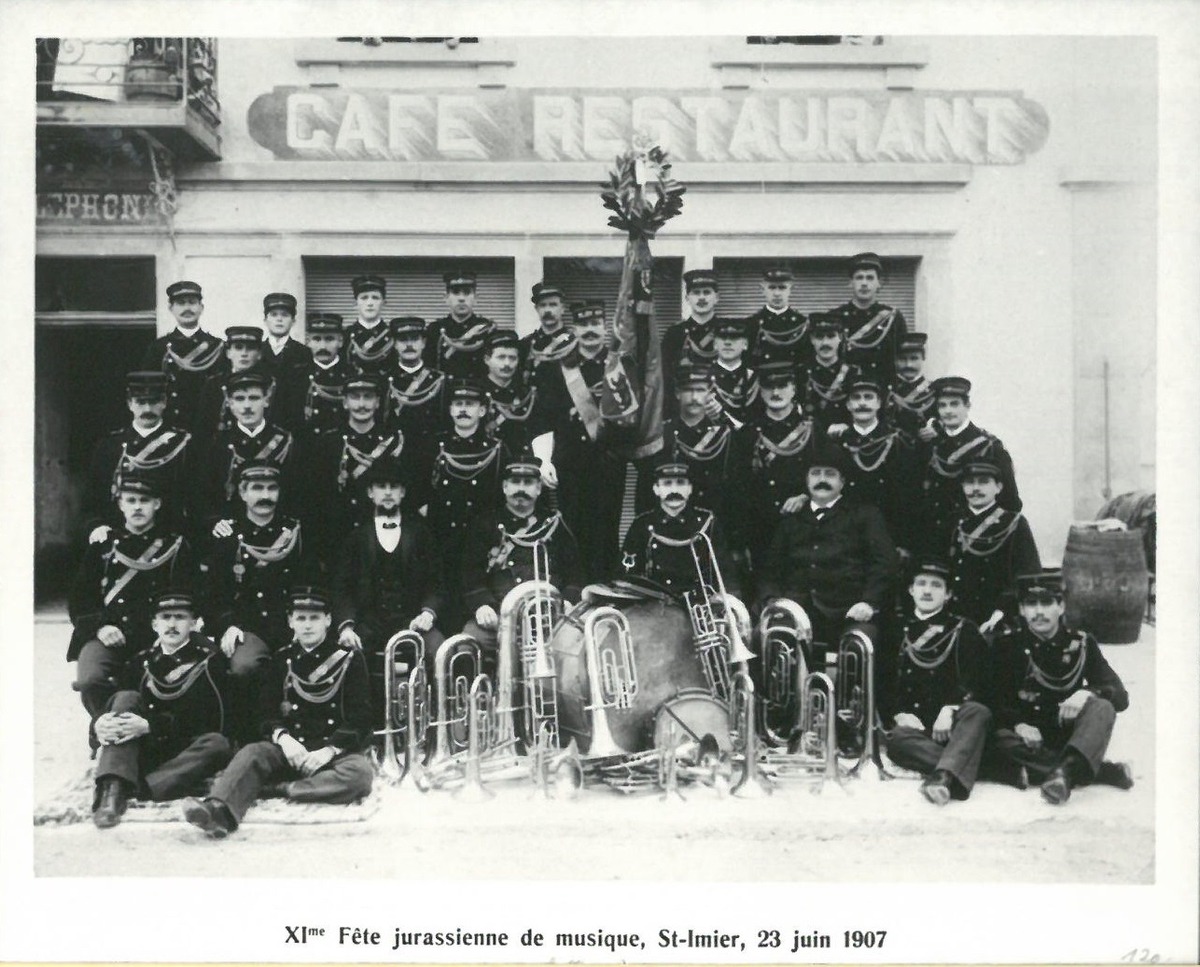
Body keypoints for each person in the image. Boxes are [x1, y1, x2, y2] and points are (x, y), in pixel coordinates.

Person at [182, 586, 374, 839]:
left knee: (360, 774)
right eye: (301, 618)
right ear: (290, 621)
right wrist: (283, 738)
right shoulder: (282, 659)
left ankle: (278, 789)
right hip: (290, 749)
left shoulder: (349, 659)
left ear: (328, 620)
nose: (307, 625)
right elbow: (266, 712)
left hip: (328, 754)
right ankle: (217, 811)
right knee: (252, 752)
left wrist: (329, 750)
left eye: (315, 618)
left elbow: (361, 717)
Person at [988, 570, 1134, 804]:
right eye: (1031, 604)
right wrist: (1019, 724)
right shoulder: (1006, 645)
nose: (1039, 612)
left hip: (1066, 733)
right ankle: (1091, 770)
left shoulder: (1081, 643)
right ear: (1022, 610)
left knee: (1103, 707)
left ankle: (1061, 772)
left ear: (1061, 606)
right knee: (997, 739)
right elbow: (992, 697)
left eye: (1047, 603)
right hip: (1025, 739)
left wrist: (1087, 692)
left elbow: (1120, 696)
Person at [90, 590, 232, 829]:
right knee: (125, 697)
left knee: (218, 743)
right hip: (146, 747)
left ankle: (144, 788)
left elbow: (213, 721)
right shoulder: (140, 662)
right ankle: (111, 792)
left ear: (194, 624)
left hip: (185, 748)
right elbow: (116, 706)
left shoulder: (210, 663)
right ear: (154, 625)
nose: (172, 625)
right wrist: (98, 725)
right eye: (165, 618)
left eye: (180, 617)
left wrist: (150, 726)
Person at [757, 442, 899, 671]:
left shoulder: (864, 515)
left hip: (847, 613)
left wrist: (869, 603)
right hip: (797, 612)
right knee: (765, 637)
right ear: (806, 480)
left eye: (830, 474)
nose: (822, 479)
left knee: (860, 644)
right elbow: (770, 568)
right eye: (816, 473)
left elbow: (884, 564)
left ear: (842, 481)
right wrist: (772, 601)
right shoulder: (791, 518)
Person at [68, 474, 193, 730]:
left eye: (144, 501)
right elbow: (80, 600)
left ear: (157, 504)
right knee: (91, 679)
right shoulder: (103, 545)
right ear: (120, 505)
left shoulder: (175, 547)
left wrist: (170, 633)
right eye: (131, 500)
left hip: (157, 636)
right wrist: (101, 627)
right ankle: (103, 728)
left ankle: (154, 731)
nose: (137, 507)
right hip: (109, 633)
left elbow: (189, 597)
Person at [204, 461, 316, 739]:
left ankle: (304, 734)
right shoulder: (227, 536)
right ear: (242, 493)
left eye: (271, 488)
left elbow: (308, 583)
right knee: (244, 666)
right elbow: (214, 593)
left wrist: (302, 622)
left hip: (289, 624)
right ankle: (246, 737)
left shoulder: (295, 533)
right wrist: (227, 625)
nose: (265, 496)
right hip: (247, 626)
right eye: (257, 488)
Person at [332, 456, 445, 724]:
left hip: (412, 621)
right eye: (381, 486)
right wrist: (347, 627)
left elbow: (436, 582)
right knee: (344, 657)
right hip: (369, 622)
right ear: (370, 493)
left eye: (394, 487)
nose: (387, 492)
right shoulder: (355, 536)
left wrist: (428, 613)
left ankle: (431, 725)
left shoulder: (421, 533)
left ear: (403, 493)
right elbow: (342, 587)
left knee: (439, 651)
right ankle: (362, 729)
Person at [530, 301, 632, 584]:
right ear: (574, 328)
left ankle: (605, 592)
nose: (590, 330)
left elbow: (631, 417)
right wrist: (544, 460)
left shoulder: (620, 364)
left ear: (605, 327)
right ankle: (575, 592)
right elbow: (544, 418)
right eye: (584, 324)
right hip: (570, 464)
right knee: (572, 530)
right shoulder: (557, 367)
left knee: (607, 531)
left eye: (595, 323)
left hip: (609, 464)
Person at [881, 559, 992, 806]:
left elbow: (978, 680)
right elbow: (883, 682)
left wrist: (951, 708)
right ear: (911, 590)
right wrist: (898, 713)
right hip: (916, 727)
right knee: (896, 741)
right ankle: (982, 767)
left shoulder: (963, 629)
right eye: (921, 584)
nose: (927, 591)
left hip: (953, 726)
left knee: (978, 712)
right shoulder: (894, 628)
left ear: (948, 594)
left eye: (936, 585)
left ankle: (942, 775)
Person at [461, 452, 583, 665]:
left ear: (539, 488)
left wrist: (568, 601)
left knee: (579, 650)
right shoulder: (485, 525)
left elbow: (576, 574)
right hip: (500, 619)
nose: (521, 488)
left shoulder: (555, 525)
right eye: (515, 482)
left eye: (528, 483)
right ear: (504, 487)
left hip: (549, 620)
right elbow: (470, 575)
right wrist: (482, 606)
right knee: (467, 646)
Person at [728, 360, 817, 589]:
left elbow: (830, 478)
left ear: (794, 389)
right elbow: (736, 487)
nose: (776, 393)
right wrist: (740, 541)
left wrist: (806, 496)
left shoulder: (812, 431)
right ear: (759, 390)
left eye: (783, 385)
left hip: (803, 528)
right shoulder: (747, 434)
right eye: (769, 386)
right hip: (760, 530)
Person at [429, 379, 508, 626]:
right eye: (458, 404)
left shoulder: (497, 449)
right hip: (442, 539)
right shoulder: (434, 446)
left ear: (482, 411)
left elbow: (502, 498)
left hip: (481, 543)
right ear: (450, 410)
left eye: (470, 404)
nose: (463, 409)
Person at [918, 376, 1021, 556]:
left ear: (967, 406)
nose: (948, 411)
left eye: (954, 404)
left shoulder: (989, 447)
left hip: (974, 540)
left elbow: (1010, 501)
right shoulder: (930, 444)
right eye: (942, 405)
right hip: (934, 537)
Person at [308, 375, 406, 564]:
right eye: (355, 397)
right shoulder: (328, 443)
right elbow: (317, 498)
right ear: (345, 403)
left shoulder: (392, 443)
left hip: (380, 536)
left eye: (368, 397)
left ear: (377, 403)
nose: (362, 404)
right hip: (339, 536)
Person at [83, 371, 192, 537]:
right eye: (140, 402)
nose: (147, 409)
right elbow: (93, 498)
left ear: (164, 402)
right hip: (118, 535)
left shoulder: (183, 445)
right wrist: (97, 526)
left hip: (169, 537)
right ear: (130, 404)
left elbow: (193, 498)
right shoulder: (110, 446)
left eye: (154, 402)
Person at [828, 378, 920, 558]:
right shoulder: (837, 444)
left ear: (879, 403)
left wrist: (902, 542)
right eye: (856, 398)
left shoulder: (898, 442)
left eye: (868, 397)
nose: (862, 403)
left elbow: (908, 496)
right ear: (848, 405)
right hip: (846, 534)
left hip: (887, 531)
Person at [621, 458, 738, 598]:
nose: (674, 490)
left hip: (698, 602)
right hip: (654, 602)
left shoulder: (707, 523)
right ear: (656, 489)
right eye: (667, 484)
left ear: (690, 489)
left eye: (681, 483)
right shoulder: (642, 524)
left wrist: (729, 600)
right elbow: (627, 574)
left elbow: (725, 572)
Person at [949, 460, 1041, 634]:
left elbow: (1028, 573)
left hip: (998, 617)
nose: (976, 489)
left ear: (998, 487)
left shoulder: (1014, 523)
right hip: (956, 615)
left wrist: (1001, 611)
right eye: (970, 482)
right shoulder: (952, 522)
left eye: (983, 482)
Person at [196, 370, 296, 525]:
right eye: (240, 399)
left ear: (266, 401)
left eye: (254, 398)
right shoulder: (218, 444)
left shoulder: (285, 442)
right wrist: (216, 522)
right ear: (230, 403)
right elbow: (205, 493)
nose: (247, 406)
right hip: (230, 526)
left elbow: (295, 491)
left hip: (277, 527)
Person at [141, 280, 225, 430]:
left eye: (192, 302)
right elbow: (149, 391)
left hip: (209, 425)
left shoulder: (217, 347)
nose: (187, 308)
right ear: (171, 308)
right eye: (181, 303)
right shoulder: (158, 348)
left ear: (201, 307)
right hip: (171, 425)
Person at [386, 315, 447, 512]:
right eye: (403, 340)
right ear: (394, 344)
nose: (409, 345)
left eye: (414, 339)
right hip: (395, 461)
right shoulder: (385, 380)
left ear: (424, 343)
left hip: (429, 460)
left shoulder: (440, 381)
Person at [826, 252, 908, 389]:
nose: (864, 283)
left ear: (879, 283)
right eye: (859, 278)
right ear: (850, 283)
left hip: (882, 388)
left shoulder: (893, 318)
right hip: (844, 389)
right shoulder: (835, 317)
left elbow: (903, 358)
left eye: (870, 278)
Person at [276, 312, 352, 438]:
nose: (323, 346)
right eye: (317, 339)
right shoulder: (294, 376)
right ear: (308, 341)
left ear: (340, 341)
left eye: (329, 339)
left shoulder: (352, 376)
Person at [191, 325, 269, 443]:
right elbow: (203, 426)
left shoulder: (269, 383)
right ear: (228, 353)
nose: (244, 353)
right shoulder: (213, 384)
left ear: (259, 354)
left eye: (250, 348)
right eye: (238, 348)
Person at [661, 268, 721, 421]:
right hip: (684, 412)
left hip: (719, 410)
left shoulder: (728, 332)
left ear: (717, 297)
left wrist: (722, 405)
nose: (701, 298)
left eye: (707, 292)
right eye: (696, 293)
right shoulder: (674, 334)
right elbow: (666, 377)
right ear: (687, 298)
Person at [423, 267, 497, 379]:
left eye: (467, 293)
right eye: (456, 292)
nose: (461, 298)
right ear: (446, 298)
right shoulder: (434, 330)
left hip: (479, 387)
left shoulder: (486, 330)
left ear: (475, 298)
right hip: (446, 388)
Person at [258, 292, 312, 424]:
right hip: (262, 419)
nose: (279, 319)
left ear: (293, 321)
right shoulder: (257, 351)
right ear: (265, 320)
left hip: (293, 421)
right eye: (274, 315)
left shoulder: (303, 353)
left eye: (285, 315)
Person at [746, 265, 810, 374]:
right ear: (762, 290)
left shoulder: (802, 324)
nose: (777, 294)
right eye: (772, 287)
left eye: (782, 288)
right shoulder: (751, 324)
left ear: (791, 290)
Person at [803, 313, 861, 432]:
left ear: (840, 338)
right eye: (819, 337)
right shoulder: (800, 373)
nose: (825, 343)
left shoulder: (854, 374)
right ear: (812, 339)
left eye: (831, 336)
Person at [482, 329, 537, 452]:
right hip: (488, 458)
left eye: (512, 358)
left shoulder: (526, 394)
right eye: (501, 357)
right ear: (487, 360)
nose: (507, 363)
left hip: (521, 459)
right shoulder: (478, 393)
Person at [520, 281, 576, 384]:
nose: (547, 310)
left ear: (562, 308)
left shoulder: (574, 343)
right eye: (543, 305)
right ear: (536, 309)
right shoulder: (526, 345)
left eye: (553, 305)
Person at [886, 332, 936, 445]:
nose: (908, 364)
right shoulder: (885, 391)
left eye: (914, 358)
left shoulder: (934, 391)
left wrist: (935, 431)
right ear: (895, 360)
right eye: (902, 359)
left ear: (923, 358)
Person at [709, 318, 759, 428]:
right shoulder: (702, 378)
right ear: (715, 344)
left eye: (734, 338)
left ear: (745, 344)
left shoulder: (756, 379)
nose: (727, 342)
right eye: (722, 337)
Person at [345, 274, 395, 378]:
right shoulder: (346, 335)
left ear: (384, 302)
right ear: (355, 303)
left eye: (375, 298)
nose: (370, 303)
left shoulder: (393, 335)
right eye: (364, 298)